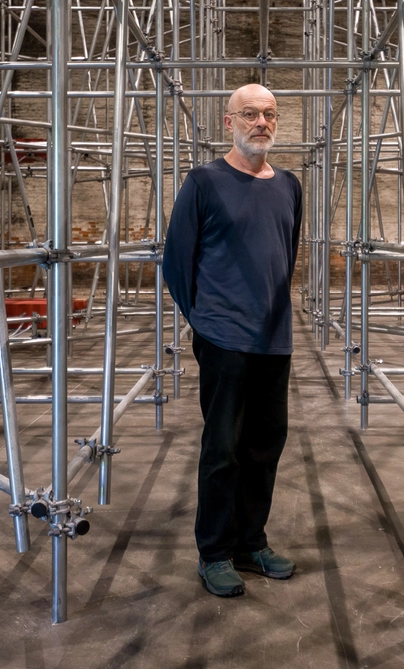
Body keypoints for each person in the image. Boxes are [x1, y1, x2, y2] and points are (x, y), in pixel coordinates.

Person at [162, 83, 303, 598]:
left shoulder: (288, 185)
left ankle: (251, 542)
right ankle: (215, 552)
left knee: (265, 445)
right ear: (229, 122)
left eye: (269, 114)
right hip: (224, 339)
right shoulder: (203, 182)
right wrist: (205, 322)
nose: (260, 123)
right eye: (249, 114)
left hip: (275, 339)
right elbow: (176, 264)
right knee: (223, 449)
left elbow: (285, 257)